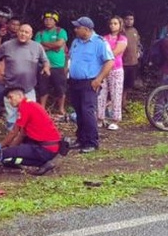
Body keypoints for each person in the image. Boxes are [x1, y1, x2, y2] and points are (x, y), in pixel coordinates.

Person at [68, 16, 114, 154]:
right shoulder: (76, 42)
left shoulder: (99, 42)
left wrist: (99, 79)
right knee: (79, 111)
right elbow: (70, 58)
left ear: (86, 29)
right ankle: (81, 139)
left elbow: (109, 62)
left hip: (90, 82)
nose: (75, 29)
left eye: (78, 27)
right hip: (75, 81)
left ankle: (92, 142)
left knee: (88, 111)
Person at [0, 24, 50, 129]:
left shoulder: (37, 47)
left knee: (31, 116)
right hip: (11, 88)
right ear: (17, 32)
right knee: (12, 119)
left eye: (26, 32)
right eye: (21, 31)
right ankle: (12, 140)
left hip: (28, 88)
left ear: (31, 35)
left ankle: (27, 140)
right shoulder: (7, 45)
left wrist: (46, 68)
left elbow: (45, 60)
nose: (23, 34)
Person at [0, 87, 62, 175]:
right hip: (51, 147)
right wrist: (12, 149)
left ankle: (41, 162)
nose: (9, 101)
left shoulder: (25, 107)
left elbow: (14, 132)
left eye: (11, 97)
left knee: (3, 154)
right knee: (9, 155)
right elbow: (22, 134)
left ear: (19, 96)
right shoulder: (29, 104)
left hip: (45, 148)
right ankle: (44, 164)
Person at [34, 11, 68, 120]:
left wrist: (45, 44)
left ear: (55, 21)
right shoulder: (40, 33)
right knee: (43, 87)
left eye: (51, 20)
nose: (48, 21)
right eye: (46, 19)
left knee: (60, 88)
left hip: (58, 65)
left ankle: (61, 109)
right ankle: (42, 108)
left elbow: (60, 44)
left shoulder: (60, 31)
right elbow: (37, 47)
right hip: (43, 65)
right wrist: (54, 46)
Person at [97, 16, 128, 130]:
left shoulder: (123, 38)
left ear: (120, 25)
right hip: (104, 69)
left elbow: (116, 52)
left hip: (116, 69)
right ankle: (100, 118)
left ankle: (116, 119)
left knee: (116, 94)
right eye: (111, 23)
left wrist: (105, 56)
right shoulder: (104, 38)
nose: (112, 25)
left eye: (115, 23)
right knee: (101, 94)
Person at [121, 12, 140, 105]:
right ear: (124, 20)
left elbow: (138, 44)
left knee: (129, 84)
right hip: (123, 63)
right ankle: (118, 103)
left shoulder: (135, 31)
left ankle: (123, 101)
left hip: (133, 63)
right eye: (127, 19)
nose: (129, 21)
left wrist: (138, 52)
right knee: (121, 84)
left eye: (131, 19)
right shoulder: (121, 31)